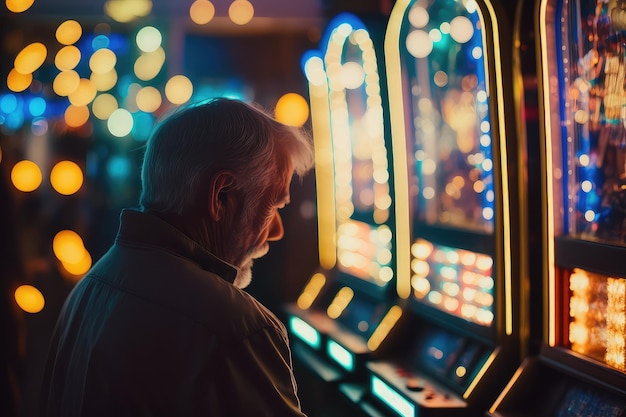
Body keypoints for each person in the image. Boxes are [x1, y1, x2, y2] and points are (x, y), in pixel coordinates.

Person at [39, 98, 315, 416]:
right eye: (275, 205)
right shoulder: (237, 328)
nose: (277, 230)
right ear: (221, 195)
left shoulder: (88, 288)